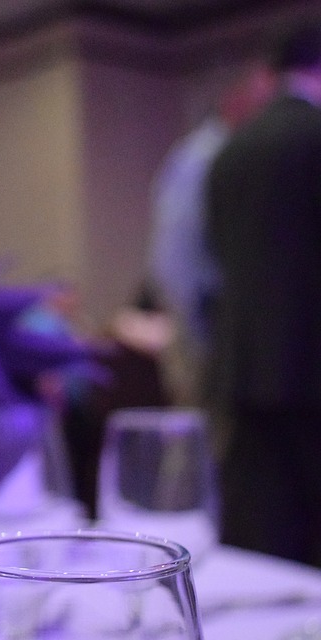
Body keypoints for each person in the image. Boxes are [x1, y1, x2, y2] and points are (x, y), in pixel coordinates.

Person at [205, 20, 321, 568]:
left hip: (245, 367)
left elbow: (215, 257)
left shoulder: (230, 151)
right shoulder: (315, 136)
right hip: (313, 368)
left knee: (258, 540)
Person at [147, 61, 277, 411]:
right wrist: (206, 338)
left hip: (223, 331)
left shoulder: (235, 158)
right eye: (266, 102)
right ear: (236, 101)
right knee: (207, 431)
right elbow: (174, 263)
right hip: (204, 331)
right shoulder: (201, 160)